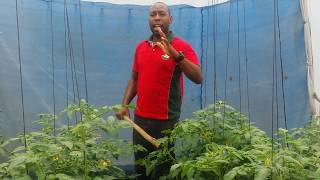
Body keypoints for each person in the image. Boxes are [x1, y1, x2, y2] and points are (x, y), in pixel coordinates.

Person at [116, 2, 203, 179]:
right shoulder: (141, 47)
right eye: (153, 14)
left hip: (166, 120)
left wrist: (176, 56)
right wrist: (124, 105)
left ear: (170, 19)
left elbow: (198, 78)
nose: (157, 17)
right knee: (141, 167)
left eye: (161, 14)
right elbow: (134, 79)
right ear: (149, 19)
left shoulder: (181, 46)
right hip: (141, 120)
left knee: (165, 169)